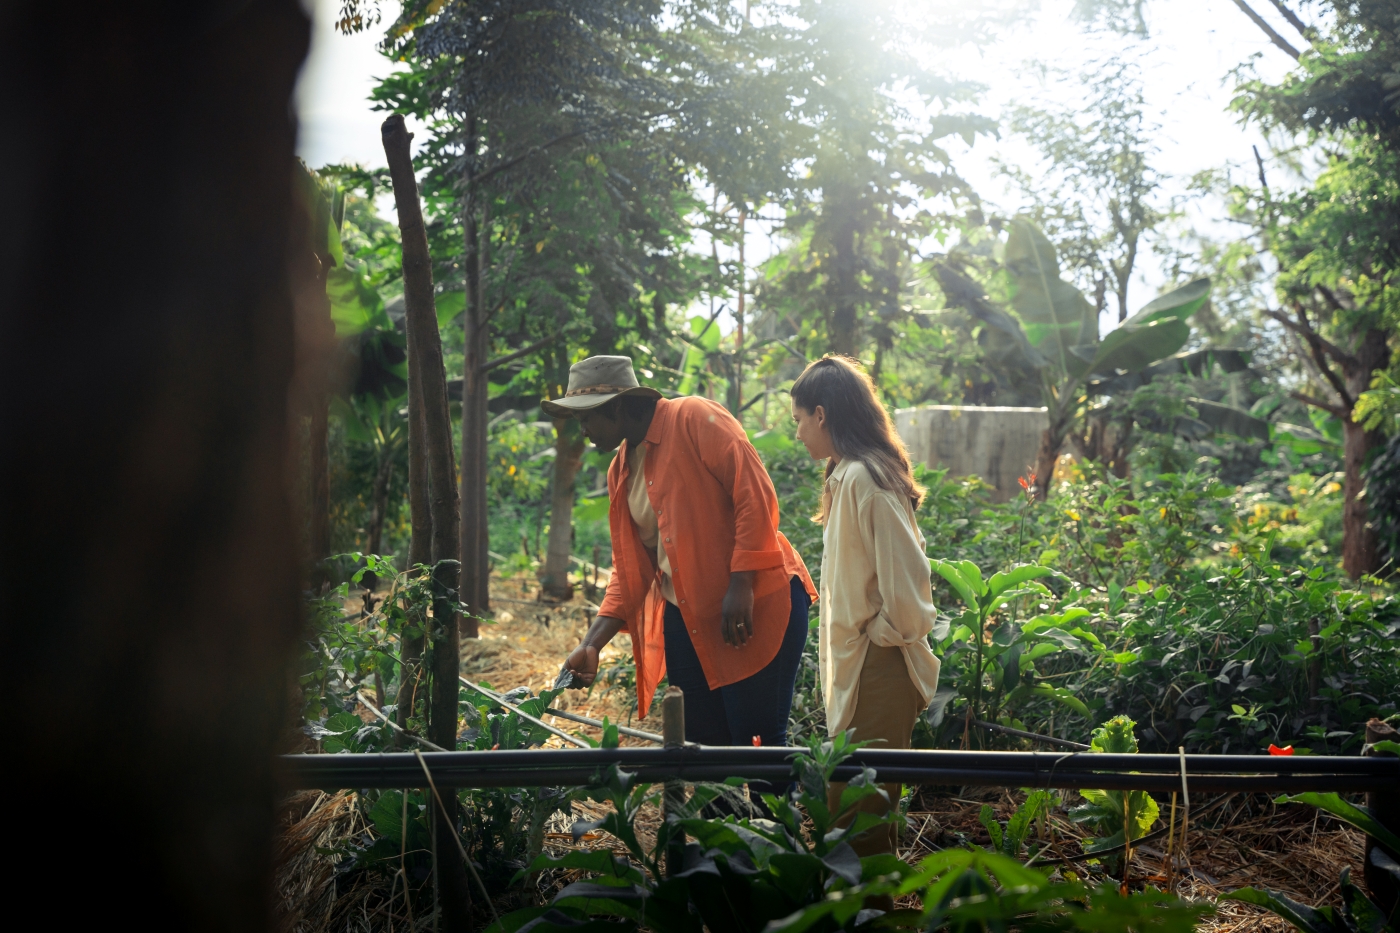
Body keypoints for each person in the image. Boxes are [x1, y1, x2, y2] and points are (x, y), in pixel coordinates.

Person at [544, 355, 817, 754]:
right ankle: (718, 819)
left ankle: (770, 819)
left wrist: (741, 583)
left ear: (618, 406)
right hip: (689, 618)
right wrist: (592, 644)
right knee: (703, 746)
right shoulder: (621, 469)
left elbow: (753, 496)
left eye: (587, 418)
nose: (582, 430)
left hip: (757, 602)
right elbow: (630, 570)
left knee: (757, 743)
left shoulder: (693, 417)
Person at [789, 355, 944, 862]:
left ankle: (868, 917)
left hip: (880, 665)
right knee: (855, 813)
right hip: (864, 665)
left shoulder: (865, 480)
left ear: (822, 413)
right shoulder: (847, 476)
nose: (797, 434)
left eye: (798, 421)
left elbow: (909, 584)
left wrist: (879, 634)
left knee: (861, 817)